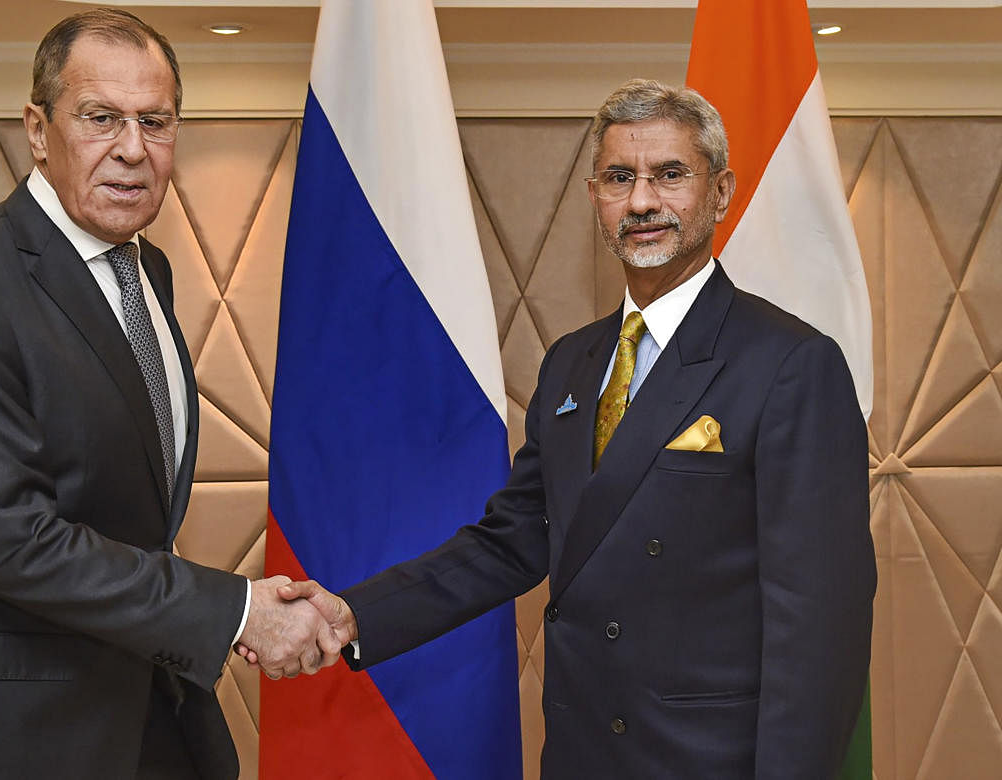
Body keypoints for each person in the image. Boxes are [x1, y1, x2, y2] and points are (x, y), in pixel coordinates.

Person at [252, 79, 877, 778]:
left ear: (721, 192)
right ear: (595, 198)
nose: (642, 201)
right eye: (619, 177)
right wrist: (351, 614)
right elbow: (511, 544)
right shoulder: (572, 364)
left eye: (670, 175)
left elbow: (821, 625)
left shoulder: (791, 364)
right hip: (584, 754)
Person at [0, 8, 338, 780]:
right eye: (101, 118)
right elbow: (12, 539)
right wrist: (234, 610)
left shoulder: (148, 272)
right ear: (38, 131)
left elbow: (121, 513)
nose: (133, 150)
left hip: (137, 715)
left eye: (157, 121)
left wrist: (235, 608)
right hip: (3, 739)